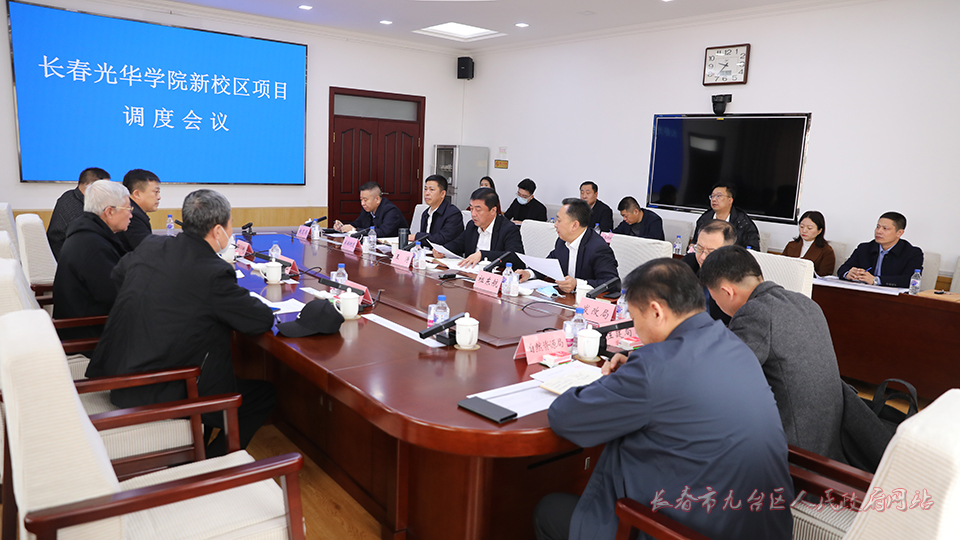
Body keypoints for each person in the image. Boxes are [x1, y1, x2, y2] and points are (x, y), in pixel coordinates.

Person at [534, 259, 793, 540]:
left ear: (656, 311)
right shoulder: (735, 345)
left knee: (549, 510)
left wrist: (623, 379)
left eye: (635, 319)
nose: (636, 330)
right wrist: (637, 373)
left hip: (683, 530)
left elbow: (565, 417)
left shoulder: (654, 367)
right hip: (762, 525)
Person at [85, 189, 276, 458]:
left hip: (121, 373)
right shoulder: (212, 272)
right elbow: (260, 320)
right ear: (218, 230)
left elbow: (118, 276)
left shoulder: (151, 246)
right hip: (163, 387)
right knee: (264, 395)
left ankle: (198, 451)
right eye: (230, 224)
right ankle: (213, 464)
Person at [699, 245, 846, 462]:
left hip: (794, 450)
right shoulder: (805, 302)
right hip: (829, 440)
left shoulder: (755, 312)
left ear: (727, 292)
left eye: (714, 298)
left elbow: (721, 379)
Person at [52, 180, 131, 337]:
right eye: (128, 209)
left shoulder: (88, 234)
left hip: (88, 322)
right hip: (89, 333)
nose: (131, 215)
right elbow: (116, 296)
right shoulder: (93, 246)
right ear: (109, 212)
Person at [519, 198, 618, 293]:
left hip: (585, 301)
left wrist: (577, 284)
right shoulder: (562, 241)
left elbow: (612, 283)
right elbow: (549, 264)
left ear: (574, 225)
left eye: (559, 220)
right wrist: (528, 273)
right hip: (565, 299)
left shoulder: (598, 248)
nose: (555, 225)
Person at [437, 187, 524, 269]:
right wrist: (441, 250)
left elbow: (515, 257)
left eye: (478, 210)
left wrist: (482, 255)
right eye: (471, 209)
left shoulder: (508, 229)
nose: (473, 214)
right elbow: (457, 244)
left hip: (495, 276)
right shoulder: (472, 225)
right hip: (470, 273)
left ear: (493, 210)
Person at [837, 212, 923, 288]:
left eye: (885, 228)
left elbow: (910, 280)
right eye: (878, 227)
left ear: (899, 233)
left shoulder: (913, 253)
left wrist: (875, 280)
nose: (879, 231)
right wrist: (848, 274)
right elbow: (843, 269)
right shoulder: (864, 248)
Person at [47, 167, 110, 260]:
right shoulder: (78, 212)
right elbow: (90, 244)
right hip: (67, 259)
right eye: (105, 189)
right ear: (90, 187)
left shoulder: (69, 195)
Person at [680, 219, 737, 324]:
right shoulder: (689, 263)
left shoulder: (737, 278)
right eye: (699, 248)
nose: (702, 257)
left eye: (710, 252)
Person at [693, 183, 760, 251]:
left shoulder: (743, 223)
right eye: (712, 196)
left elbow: (753, 250)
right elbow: (695, 243)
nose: (714, 199)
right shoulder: (704, 219)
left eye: (719, 196)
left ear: (730, 200)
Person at [333, 181, 408, 237]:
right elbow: (357, 224)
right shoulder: (367, 209)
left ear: (377, 199)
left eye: (365, 200)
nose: (362, 203)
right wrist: (342, 227)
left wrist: (355, 230)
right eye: (361, 200)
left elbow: (382, 232)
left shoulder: (391, 211)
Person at [410, 175, 464, 247]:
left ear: (442, 194)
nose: (427, 193)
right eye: (425, 189)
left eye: (431, 189)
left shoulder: (453, 213)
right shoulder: (425, 213)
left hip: (443, 253)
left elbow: (442, 239)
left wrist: (416, 236)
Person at [117, 169, 162, 252]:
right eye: (156, 192)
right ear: (137, 194)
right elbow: (148, 249)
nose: (159, 197)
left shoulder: (134, 211)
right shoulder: (132, 216)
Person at [782, 210, 835, 277]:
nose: (804, 231)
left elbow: (824, 275)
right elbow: (781, 265)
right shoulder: (791, 245)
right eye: (801, 227)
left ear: (819, 231)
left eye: (809, 228)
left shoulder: (826, 251)